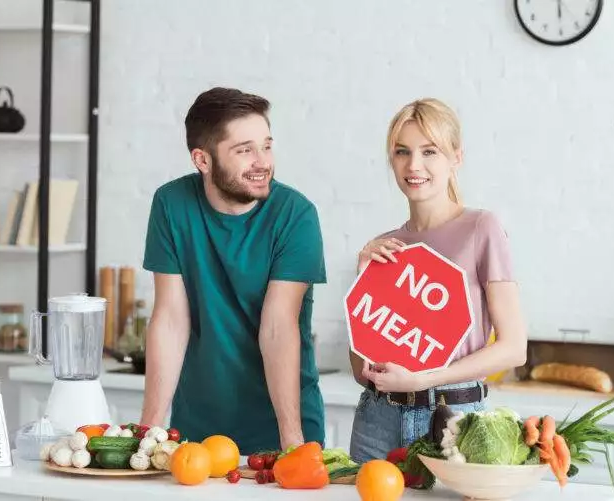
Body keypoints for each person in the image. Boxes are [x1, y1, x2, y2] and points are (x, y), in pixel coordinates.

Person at [140, 87, 327, 455]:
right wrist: (149, 433)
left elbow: (278, 328)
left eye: (267, 146)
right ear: (203, 160)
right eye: (244, 150)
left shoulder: (295, 215)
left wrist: (292, 442)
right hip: (195, 432)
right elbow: (171, 320)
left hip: (283, 431)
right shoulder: (171, 205)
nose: (262, 162)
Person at [348, 97, 528, 463]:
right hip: (376, 421)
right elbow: (361, 372)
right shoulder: (387, 247)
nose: (414, 165)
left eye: (429, 151)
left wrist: (423, 379)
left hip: (453, 422)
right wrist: (362, 282)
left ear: (455, 158)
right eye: (402, 152)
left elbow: (514, 348)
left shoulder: (482, 228)